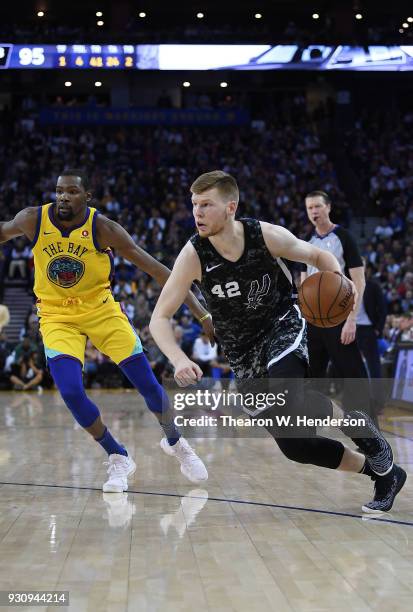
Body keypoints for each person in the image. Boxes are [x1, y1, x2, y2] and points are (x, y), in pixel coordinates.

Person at [150, 170, 406, 513]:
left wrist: (336, 284)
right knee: (295, 446)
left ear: (230, 207)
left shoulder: (264, 235)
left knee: (285, 391)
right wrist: (179, 359)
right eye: (194, 204)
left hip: (282, 327)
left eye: (206, 204)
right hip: (243, 355)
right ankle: (384, 473)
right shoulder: (194, 254)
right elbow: (159, 318)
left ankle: (367, 435)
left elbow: (318, 258)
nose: (197, 212)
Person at [0, 169, 210, 492]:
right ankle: (117, 455)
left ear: (87, 198)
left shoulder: (103, 228)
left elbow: (157, 269)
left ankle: (176, 442)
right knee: (70, 392)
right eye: (59, 191)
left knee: (148, 385)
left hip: (101, 310)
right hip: (56, 316)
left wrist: (201, 313)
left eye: (71, 192)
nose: (63, 197)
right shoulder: (33, 220)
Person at [301, 191, 372, 418]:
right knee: (310, 379)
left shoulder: (345, 237)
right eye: (310, 208)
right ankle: (308, 432)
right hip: (312, 319)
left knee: (354, 378)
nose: (314, 212)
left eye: (318, 206)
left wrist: (352, 320)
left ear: (328, 207)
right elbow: (303, 282)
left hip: (340, 318)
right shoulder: (306, 241)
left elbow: (359, 281)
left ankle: (370, 436)